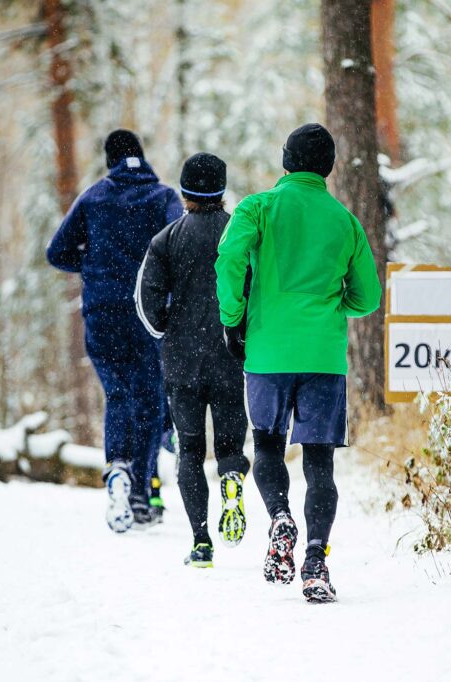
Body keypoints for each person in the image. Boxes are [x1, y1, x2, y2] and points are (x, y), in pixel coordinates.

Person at [214, 123, 382, 602]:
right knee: (320, 464)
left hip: (266, 353)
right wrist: (331, 305)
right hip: (323, 359)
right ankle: (314, 559)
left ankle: (280, 518)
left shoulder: (259, 208)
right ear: (328, 167)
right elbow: (367, 298)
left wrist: (233, 317)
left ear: (285, 161)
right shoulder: (345, 221)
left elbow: (228, 257)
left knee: (267, 447)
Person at [46, 129, 182, 533]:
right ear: (142, 156)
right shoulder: (163, 198)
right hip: (148, 314)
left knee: (119, 394)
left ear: (110, 161)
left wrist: (92, 266)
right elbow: (178, 245)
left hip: (103, 314)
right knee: (151, 400)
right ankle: (141, 492)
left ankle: (118, 471)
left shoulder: (93, 197)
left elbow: (57, 252)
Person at [135, 153, 250, 568]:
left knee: (189, 449)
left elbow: (146, 302)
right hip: (230, 356)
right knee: (229, 443)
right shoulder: (239, 234)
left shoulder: (165, 239)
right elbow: (254, 291)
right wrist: (241, 333)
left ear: (184, 191)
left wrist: (168, 327)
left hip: (182, 359)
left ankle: (201, 542)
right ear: (221, 190)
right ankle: (233, 477)